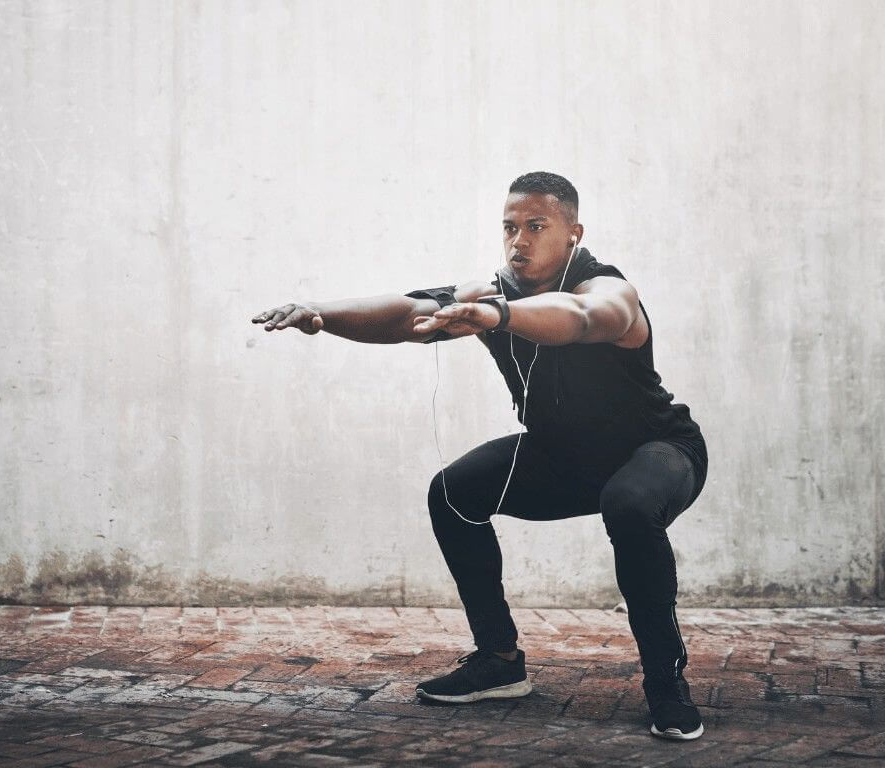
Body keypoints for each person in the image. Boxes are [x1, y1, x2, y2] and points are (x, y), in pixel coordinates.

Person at [250, 171, 708, 741]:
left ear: (573, 232)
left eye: (536, 227)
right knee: (453, 493)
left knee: (630, 504)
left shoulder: (608, 289)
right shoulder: (493, 292)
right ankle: (498, 660)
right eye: (510, 228)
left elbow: (586, 319)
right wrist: (322, 314)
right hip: (563, 457)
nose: (519, 241)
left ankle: (666, 685)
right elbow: (409, 311)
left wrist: (500, 316)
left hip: (657, 450)